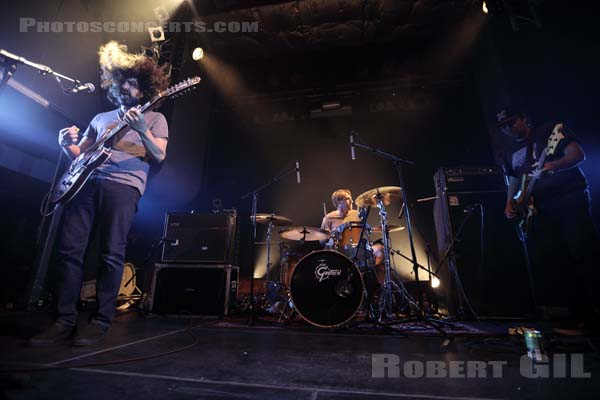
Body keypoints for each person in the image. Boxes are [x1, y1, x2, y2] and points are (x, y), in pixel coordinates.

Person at [29, 41, 170, 346]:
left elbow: (158, 157)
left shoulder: (156, 119)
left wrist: (143, 129)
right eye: (123, 80)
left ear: (144, 90)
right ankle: (64, 319)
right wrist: (67, 145)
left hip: (124, 186)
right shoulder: (100, 118)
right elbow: (81, 157)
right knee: (69, 250)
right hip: (86, 185)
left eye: (133, 82)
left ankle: (101, 320)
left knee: (111, 252)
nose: (126, 86)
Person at [497, 107, 599, 331]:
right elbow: (514, 181)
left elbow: (577, 154)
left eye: (511, 123)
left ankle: (593, 314)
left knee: (583, 253)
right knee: (557, 260)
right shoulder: (507, 151)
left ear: (524, 118)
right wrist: (510, 202)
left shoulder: (548, 131)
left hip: (568, 199)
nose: (507, 129)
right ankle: (576, 315)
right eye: (502, 126)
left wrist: (554, 165)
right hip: (540, 209)